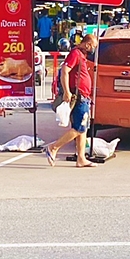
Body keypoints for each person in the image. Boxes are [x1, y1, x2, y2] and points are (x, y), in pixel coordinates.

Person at [45, 34, 97, 168]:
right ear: (87, 45)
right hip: (79, 96)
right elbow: (64, 71)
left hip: (84, 96)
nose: (94, 50)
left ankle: (81, 158)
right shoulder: (76, 54)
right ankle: (54, 147)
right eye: (94, 46)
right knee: (79, 128)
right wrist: (67, 91)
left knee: (83, 129)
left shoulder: (81, 55)